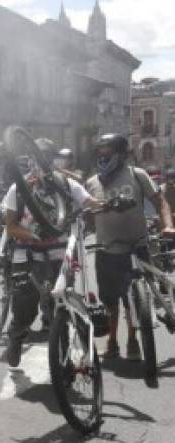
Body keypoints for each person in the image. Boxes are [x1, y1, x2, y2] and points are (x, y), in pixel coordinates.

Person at [4, 140, 98, 367]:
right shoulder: (18, 188)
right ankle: (16, 338)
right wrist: (33, 235)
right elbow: (10, 226)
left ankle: (63, 358)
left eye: (44, 157)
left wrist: (110, 203)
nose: (39, 162)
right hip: (27, 254)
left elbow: (89, 202)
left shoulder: (66, 184)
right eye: (35, 157)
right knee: (24, 308)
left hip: (59, 254)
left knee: (60, 307)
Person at [84, 134, 175, 360]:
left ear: (121, 153)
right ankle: (112, 342)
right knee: (110, 302)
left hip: (137, 247)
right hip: (106, 250)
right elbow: (85, 215)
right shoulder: (92, 182)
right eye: (100, 151)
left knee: (134, 300)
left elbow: (160, 202)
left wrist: (168, 225)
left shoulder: (138, 174)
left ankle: (133, 339)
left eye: (108, 151)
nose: (103, 156)